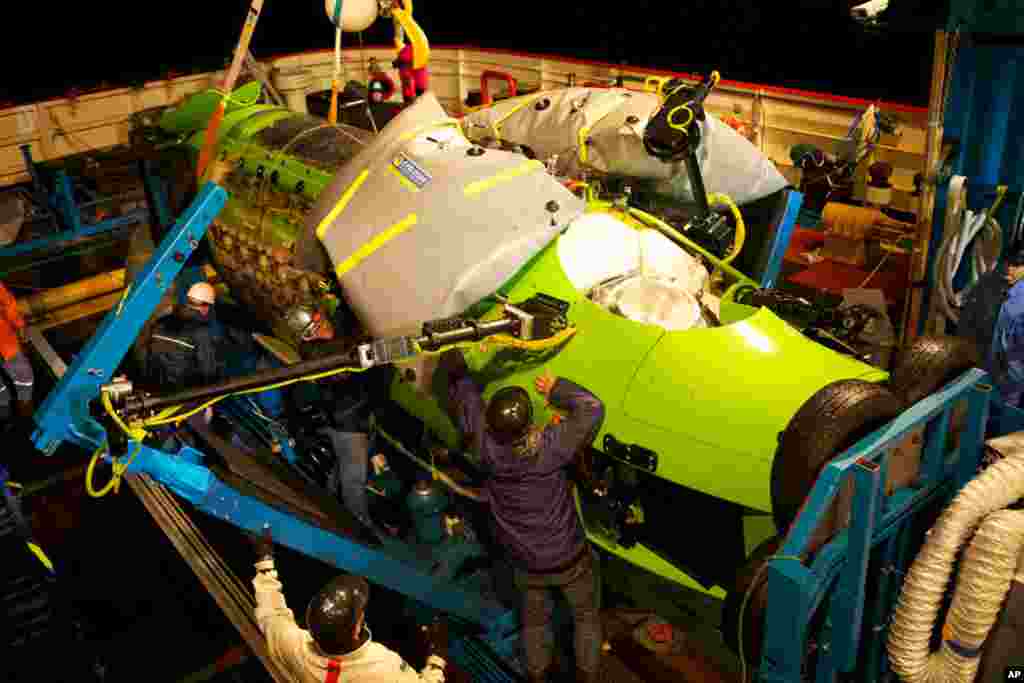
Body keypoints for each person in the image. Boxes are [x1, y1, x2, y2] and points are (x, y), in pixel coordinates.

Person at [438, 350, 605, 683]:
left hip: (525, 563)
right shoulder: (552, 446)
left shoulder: (484, 448)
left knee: (535, 623)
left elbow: (467, 401)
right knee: (586, 616)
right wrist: (557, 388)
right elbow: (592, 408)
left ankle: (536, 677)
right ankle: (588, 678)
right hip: (569, 558)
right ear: (529, 422)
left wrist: (454, 359)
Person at [250, 526, 448, 682]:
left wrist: (265, 560)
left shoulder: (294, 648)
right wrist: (437, 657)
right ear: (355, 631)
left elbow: (271, 615)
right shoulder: (383, 668)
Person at [146, 281, 223, 390]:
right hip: (184, 394)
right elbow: (209, 371)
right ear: (206, 307)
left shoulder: (161, 322)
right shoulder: (201, 332)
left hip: (156, 388)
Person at [0, 280, 34, 424]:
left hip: (5, 341)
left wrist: (19, 325)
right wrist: (19, 326)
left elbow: (7, 302)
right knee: (24, 377)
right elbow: (7, 302)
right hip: (4, 341)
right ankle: (21, 414)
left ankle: (8, 415)